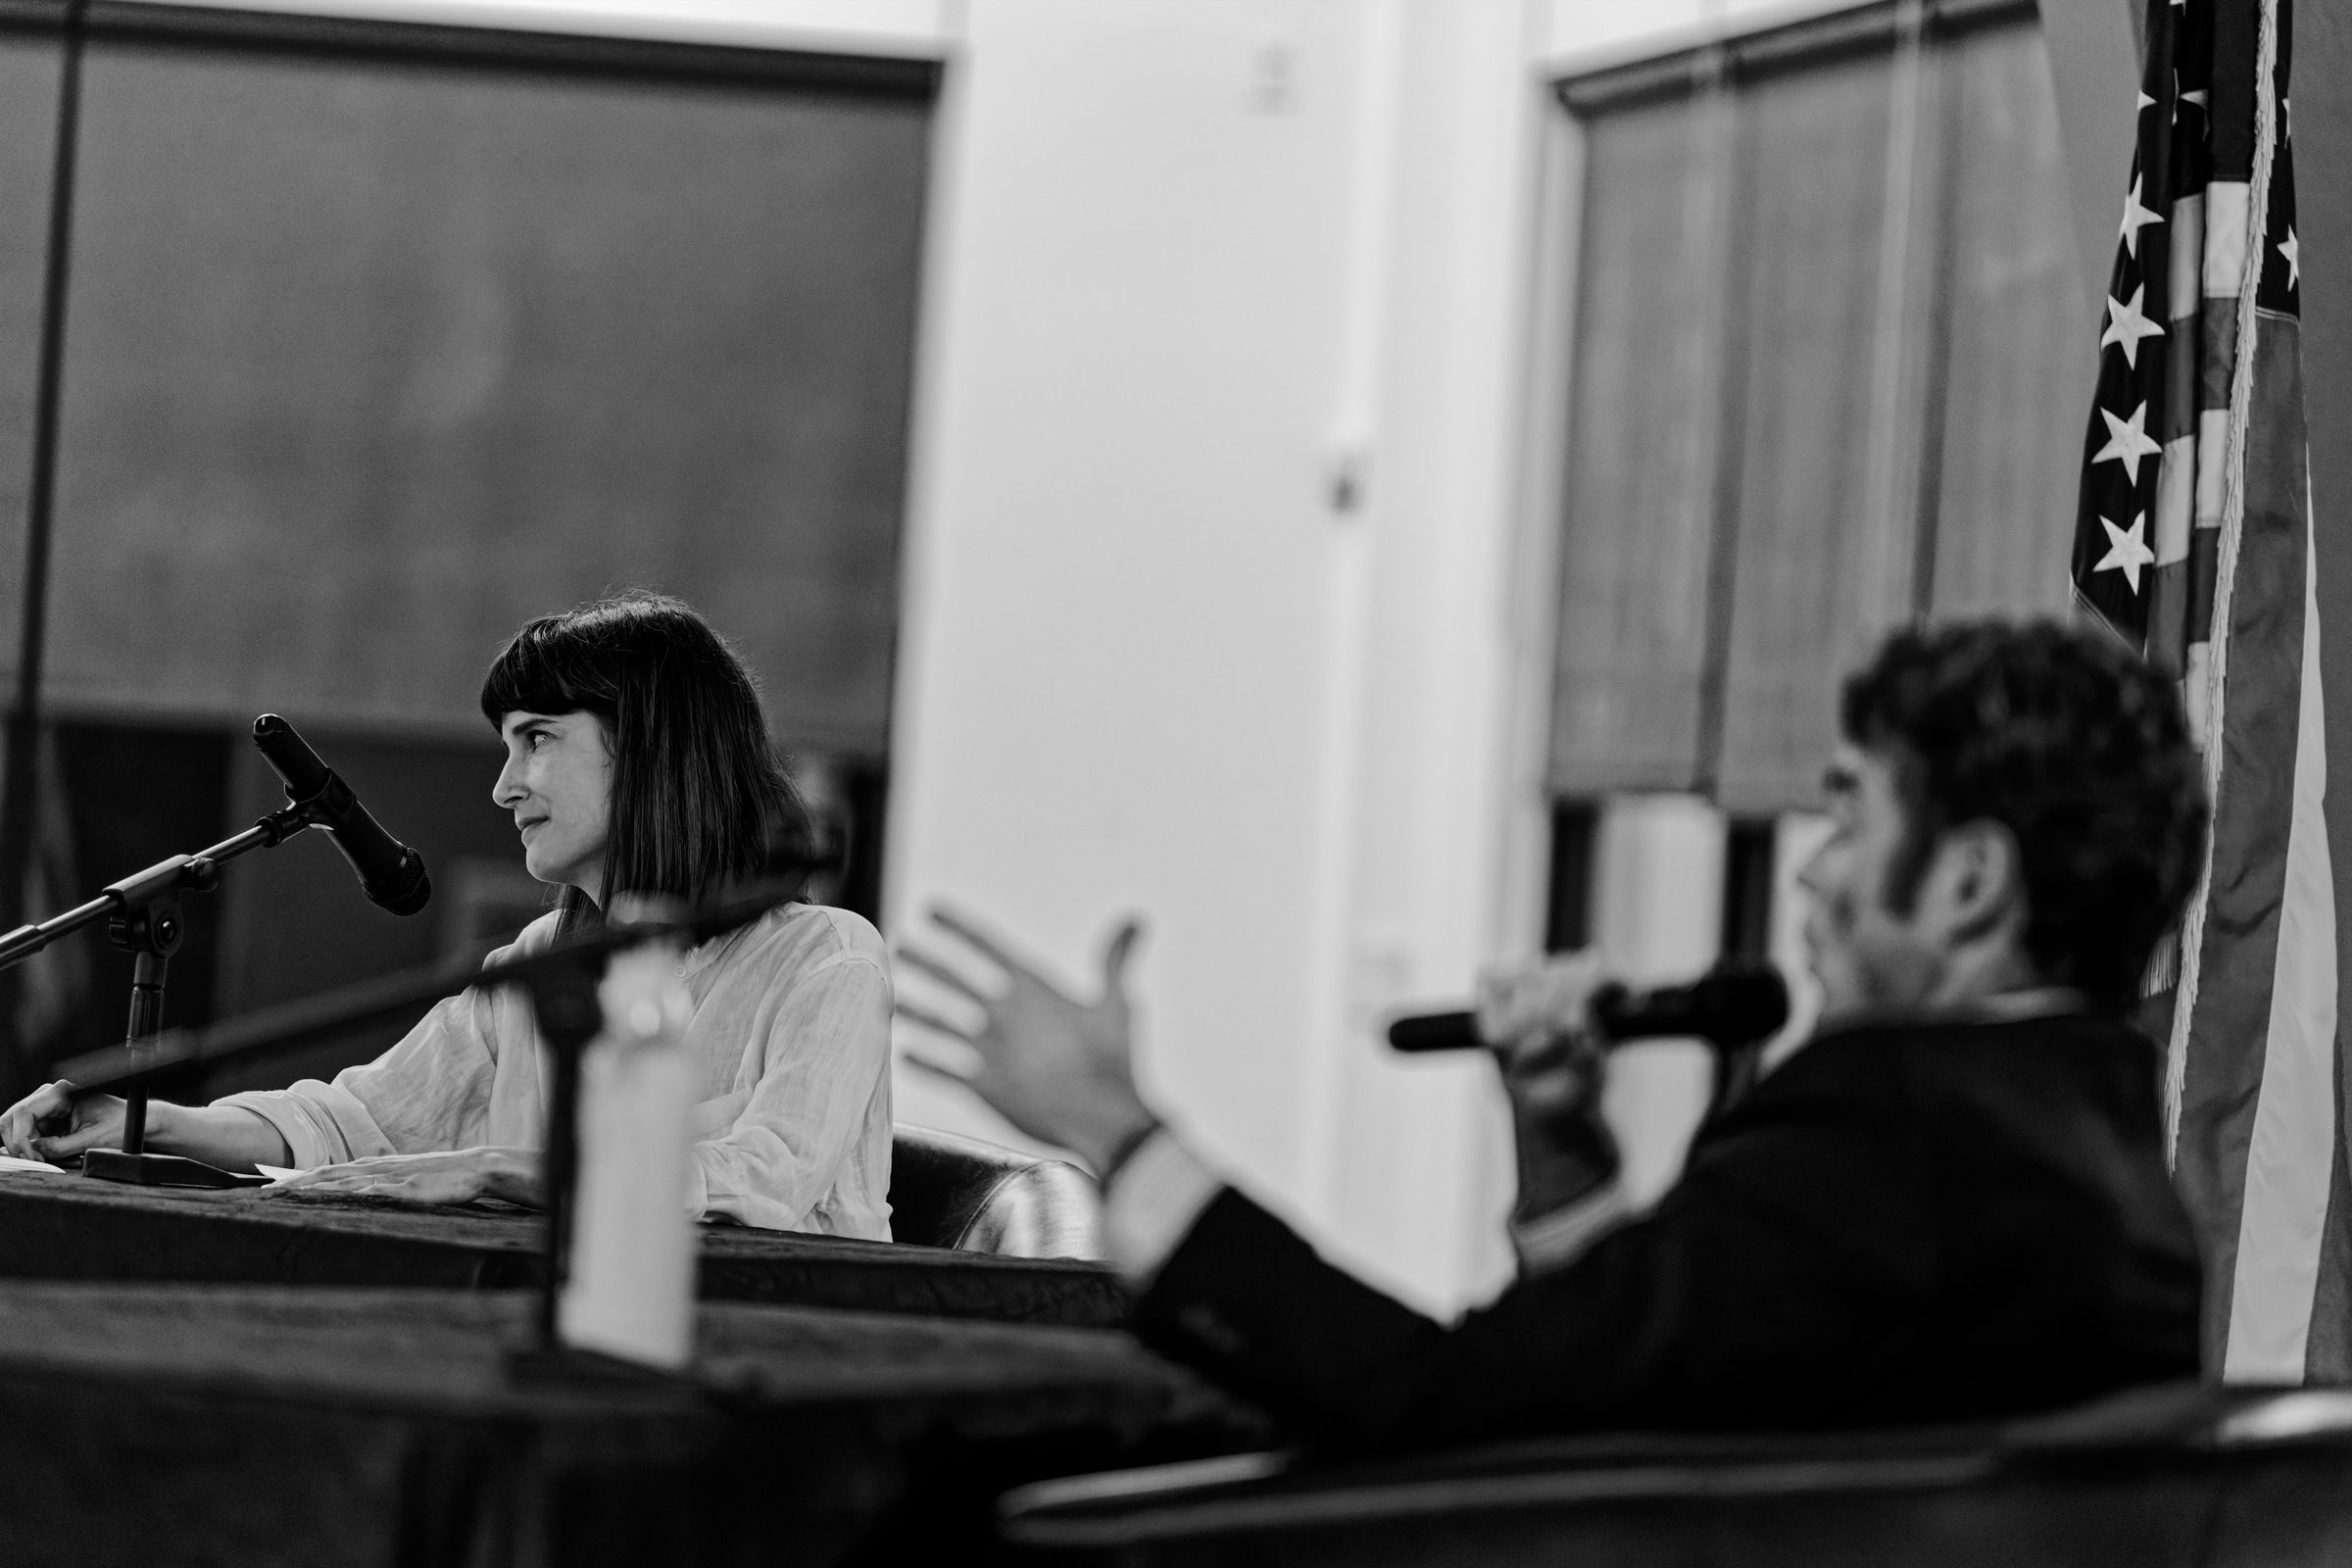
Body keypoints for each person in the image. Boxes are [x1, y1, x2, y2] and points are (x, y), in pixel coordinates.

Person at [897, 619, 2209, 1448]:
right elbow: (1642, 1391)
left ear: (1970, 882)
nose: (1811, 875)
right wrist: (1564, 1158)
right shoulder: (2104, 1129)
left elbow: (1442, 1409)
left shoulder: (1889, 1122)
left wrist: (1119, 1140)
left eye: (1852, 818)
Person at [0, 592, 894, 1238]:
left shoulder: (827, 958)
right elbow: (363, 1123)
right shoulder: (543, 957)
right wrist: (156, 1121)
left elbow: (768, 1173)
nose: (505, 788)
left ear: (653, 748)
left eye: (537, 739)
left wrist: (496, 1167)